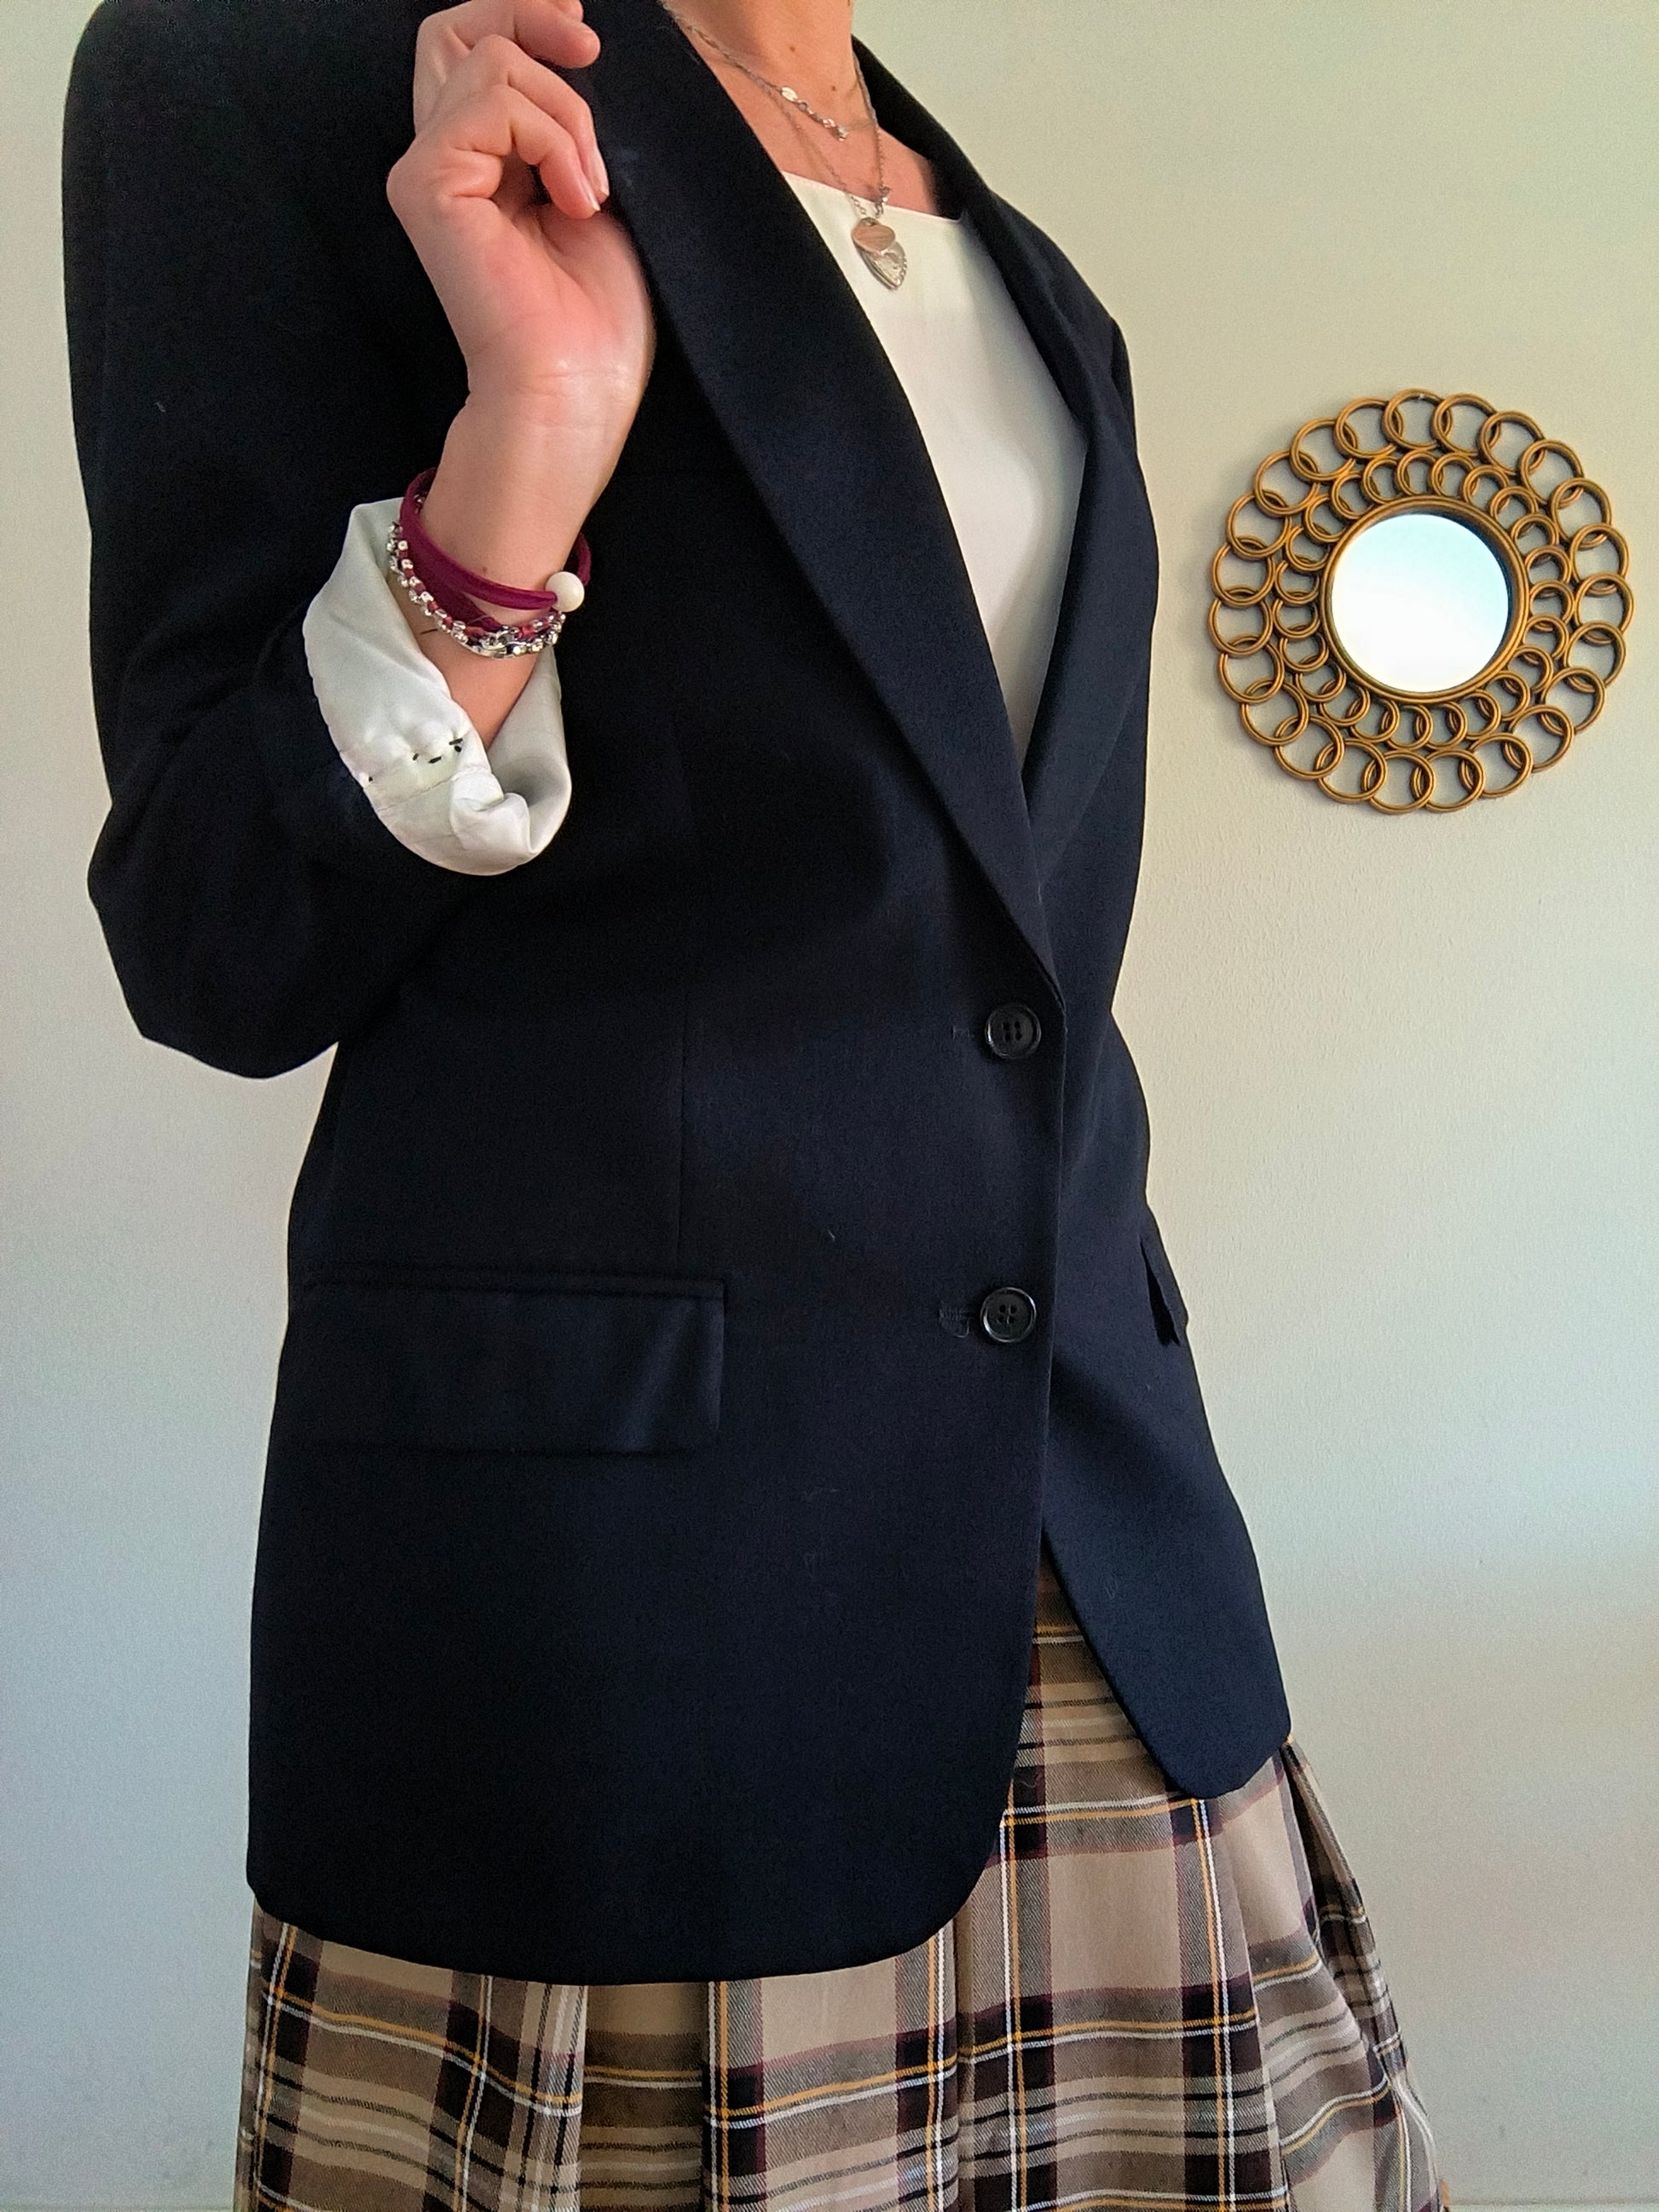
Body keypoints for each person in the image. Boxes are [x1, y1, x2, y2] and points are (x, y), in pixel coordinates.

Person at [61, 0, 1443, 2203]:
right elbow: (216, 941)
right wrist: (528, 446)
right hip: (626, 1609)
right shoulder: (267, 72)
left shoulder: (1006, 252)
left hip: (1099, 1544)